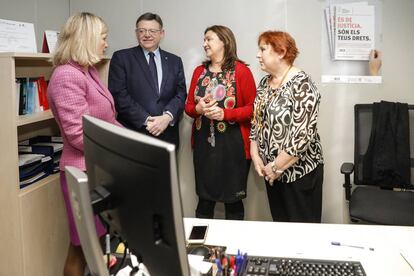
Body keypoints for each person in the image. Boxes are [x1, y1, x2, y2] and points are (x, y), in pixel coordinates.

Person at [48, 12, 121, 276]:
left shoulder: (87, 71)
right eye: (103, 38)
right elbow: (78, 135)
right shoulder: (66, 76)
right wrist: (122, 150)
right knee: (81, 246)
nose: (106, 43)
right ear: (87, 38)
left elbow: (107, 121)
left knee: (96, 243)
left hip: (96, 171)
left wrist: (135, 141)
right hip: (81, 174)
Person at [250, 31, 324, 223]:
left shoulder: (303, 85)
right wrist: (255, 153)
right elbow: (256, 120)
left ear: (281, 52)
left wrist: (275, 166)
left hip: (300, 175)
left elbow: (302, 136)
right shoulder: (265, 83)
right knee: (281, 230)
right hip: (272, 173)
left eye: (263, 49)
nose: (258, 55)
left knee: (302, 236)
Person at [185, 25, 256, 220]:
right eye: (204, 39)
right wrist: (198, 110)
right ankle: (199, 248)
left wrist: (225, 114)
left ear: (224, 41)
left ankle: (233, 249)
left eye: (209, 39)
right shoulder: (199, 71)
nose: (204, 43)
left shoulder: (241, 71)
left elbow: (253, 109)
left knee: (233, 202)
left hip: (233, 148)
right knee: (204, 201)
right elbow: (189, 107)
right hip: (203, 148)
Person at [109, 12, 186, 148]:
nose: (147, 35)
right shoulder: (121, 58)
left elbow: (180, 94)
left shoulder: (175, 61)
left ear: (162, 33)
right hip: (133, 134)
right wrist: (147, 120)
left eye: (152, 31)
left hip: (167, 137)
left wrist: (167, 117)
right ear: (136, 33)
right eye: (142, 30)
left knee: (165, 171)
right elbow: (119, 95)